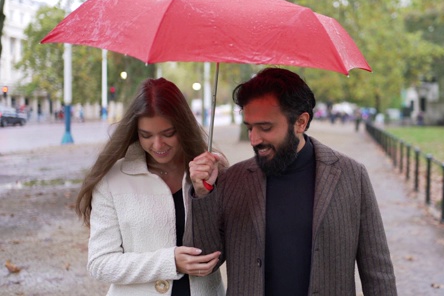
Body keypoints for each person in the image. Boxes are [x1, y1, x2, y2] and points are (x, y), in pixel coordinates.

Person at [186, 68, 397, 295]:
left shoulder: (351, 175)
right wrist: (203, 192)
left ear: (300, 122)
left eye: (265, 127)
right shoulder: (233, 179)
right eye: (249, 127)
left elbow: (378, 272)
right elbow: (204, 261)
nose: (254, 139)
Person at [75, 78, 227, 296]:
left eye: (168, 134)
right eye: (146, 135)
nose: (157, 145)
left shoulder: (211, 170)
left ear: (183, 127)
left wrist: (204, 192)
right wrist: (170, 262)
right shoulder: (113, 179)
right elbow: (100, 263)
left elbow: (227, 245)